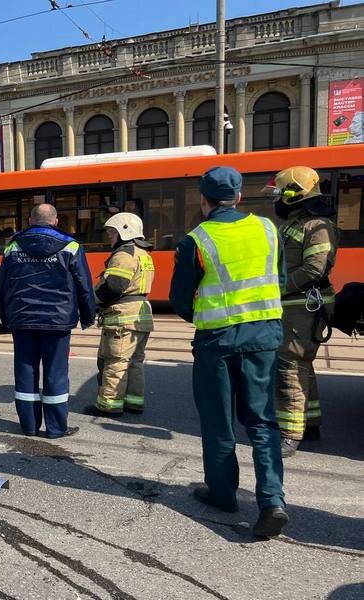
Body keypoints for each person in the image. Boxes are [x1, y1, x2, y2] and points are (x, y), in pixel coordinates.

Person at [170, 166, 288, 539]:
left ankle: (223, 494)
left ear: (203, 200)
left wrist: (203, 315)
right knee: (262, 421)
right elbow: (280, 281)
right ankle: (272, 499)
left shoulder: (197, 239)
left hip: (216, 343)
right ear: (239, 197)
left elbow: (180, 300)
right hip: (264, 336)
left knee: (219, 420)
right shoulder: (269, 230)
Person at [0, 204, 95, 438]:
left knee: (25, 372)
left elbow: (2, 287)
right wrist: (88, 316)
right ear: (56, 221)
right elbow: (84, 286)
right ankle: (56, 428)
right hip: (58, 321)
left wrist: (5, 316)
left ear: (30, 220)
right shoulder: (71, 247)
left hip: (22, 320)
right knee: (56, 374)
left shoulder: (12, 246)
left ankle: (29, 426)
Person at [267, 166, 339, 458]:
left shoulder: (317, 226)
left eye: (280, 192)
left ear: (294, 193)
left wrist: (277, 289)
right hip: (295, 305)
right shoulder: (295, 224)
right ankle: (309, 422)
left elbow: (314, 269)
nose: (277, 199)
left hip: (302, 304)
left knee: (290, 366)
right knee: (301, 364)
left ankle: (289, 434)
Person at [92, 212, 155, 415]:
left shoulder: (123, 255)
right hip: (141, 316)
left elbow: (113, 287)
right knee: (135, 362)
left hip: (123, 317)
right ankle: (133, 402)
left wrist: (91, 300)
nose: (110, 236)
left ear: (124, 232)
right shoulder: (143, 254)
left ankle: (109, 405)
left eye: (112, 232)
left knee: (115, 362)